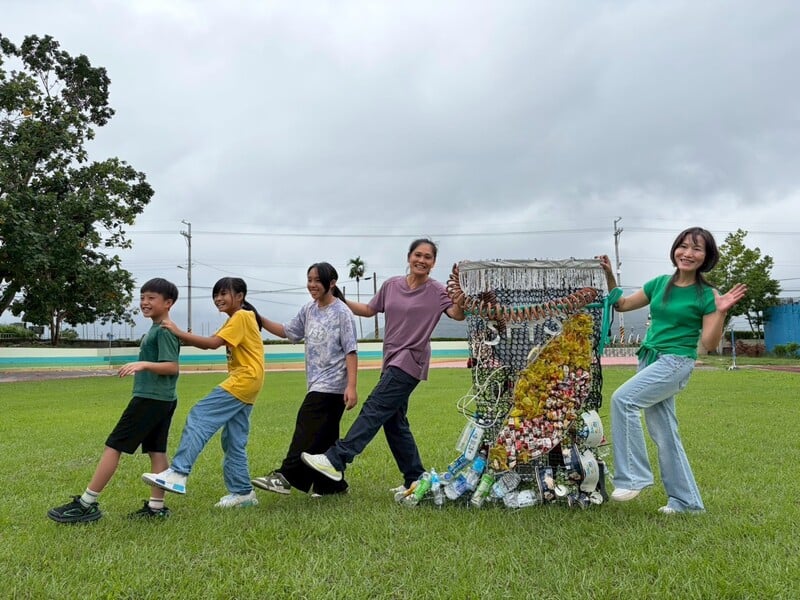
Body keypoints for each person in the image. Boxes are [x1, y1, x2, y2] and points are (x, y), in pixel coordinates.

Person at [598, 227, 747, 514]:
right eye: (683, 246)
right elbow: (622, 304)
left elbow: (709, 343)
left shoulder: (707, 295)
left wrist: (721, 312)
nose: (688, 253)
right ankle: (687, 502)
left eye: (697, 249)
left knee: (623, 399)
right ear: (675, 249)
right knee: (665, 432)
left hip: (675, 362)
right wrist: (609, 275)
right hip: (650, 359)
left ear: (706, 257)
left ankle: (633, 477)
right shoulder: (659, 284)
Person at [301, 238, 465, 494]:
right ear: (409, 257)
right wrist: (338, 298)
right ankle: (415, 478)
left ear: (433, 263)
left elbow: (457, 314)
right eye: (418, 255)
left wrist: (461, 298)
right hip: (391, 360)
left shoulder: (436, 291)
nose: (422, 260)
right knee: (394, 422)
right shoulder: (391, 285)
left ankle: (336, 459)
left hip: (411, 360)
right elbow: (368, 309)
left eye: (428, 257)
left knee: (375, 408)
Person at [48, 278, 181, 523]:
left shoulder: (164, 330)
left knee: (114, 446)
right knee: (156, 450)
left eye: (151, 298)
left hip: (150, 399)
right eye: (142, 297)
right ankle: (156, 508)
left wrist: (142, 364)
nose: (144, 302)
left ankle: (87, 504)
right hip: (161, 399)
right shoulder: (157, 327)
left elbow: (171, 366)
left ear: (168, 302)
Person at [142, 277, 266, 509]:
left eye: (224, 294)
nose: (218, 299)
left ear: (239, 297)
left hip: (243, 380)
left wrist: (178, 332)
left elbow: (212, 343)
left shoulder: (240, 316)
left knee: (200, 415)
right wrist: (182, 335)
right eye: (216, 294)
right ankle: (243, 493)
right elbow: (210, 342)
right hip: (252, 382)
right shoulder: (241, 318)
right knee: (234, 440)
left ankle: (178, 473)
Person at [251, 262, 358, 497]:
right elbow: (288, 331)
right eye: (309, 280)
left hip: (333, 384)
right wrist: (257, 318)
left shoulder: (342, 313)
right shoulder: (309, 310)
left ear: (331, 283)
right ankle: (331, 486)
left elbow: (351, 350)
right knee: (325, 436)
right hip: (315, 381)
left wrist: (351, 386)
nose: (312, 285)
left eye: (317, 280)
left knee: (306, 426)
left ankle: (286, 477)